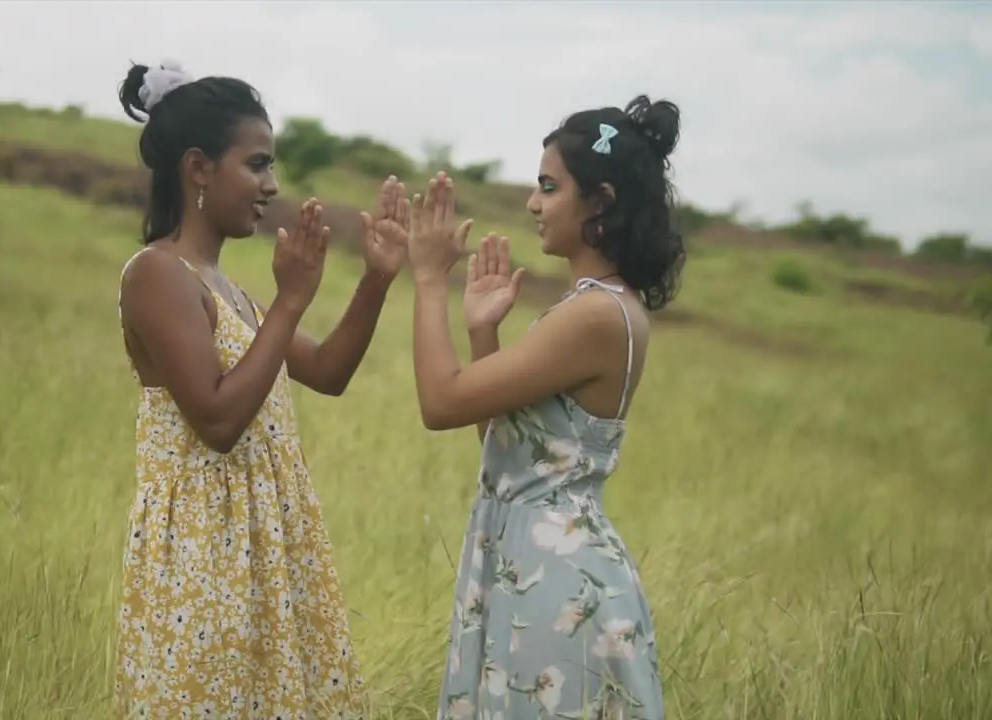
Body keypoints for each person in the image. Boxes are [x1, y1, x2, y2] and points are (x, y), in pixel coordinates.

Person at [112, 61, 410, 719]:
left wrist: (376, 280)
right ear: (198, 167)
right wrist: (292, 301)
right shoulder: (157, 275)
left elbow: (328, 373)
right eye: (256, 164)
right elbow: (217, 423)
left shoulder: (230, 292)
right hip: (203, 557)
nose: (271, 186)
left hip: (261, 549)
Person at [405, 95, 685, 719]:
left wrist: (428, 279)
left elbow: (439, 402)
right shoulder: (601, 307)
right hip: (536, 565)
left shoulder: (594, 315)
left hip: (555, 582)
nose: (533, 203)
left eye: (549, 187)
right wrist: (483, 332)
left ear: (601, 202)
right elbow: (512, 450)